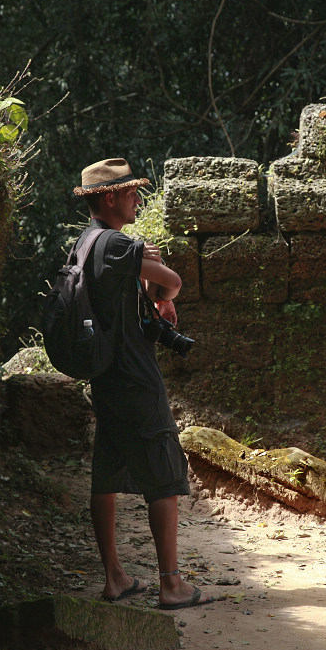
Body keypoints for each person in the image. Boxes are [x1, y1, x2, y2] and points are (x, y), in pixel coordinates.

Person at [71, 157, 217, 611]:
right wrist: (158, 282)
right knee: (164, 475)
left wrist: (141, 270)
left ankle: (115, 577)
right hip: (136, 374)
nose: (138, 198)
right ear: (110, 197)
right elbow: (171, 283)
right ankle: (171, 585)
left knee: (107, 471)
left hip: (107, 376)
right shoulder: (117, 244)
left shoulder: (85, 242)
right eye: (132, 191)